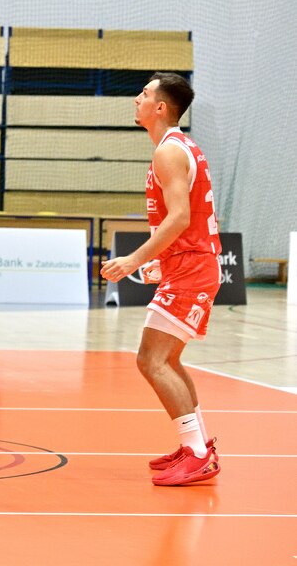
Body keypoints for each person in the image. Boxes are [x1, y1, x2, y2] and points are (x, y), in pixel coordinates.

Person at [101, 73, 223, 486]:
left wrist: (135, 259)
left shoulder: (168, 152)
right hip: (188, 264)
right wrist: (162, 261)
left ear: (161, 108)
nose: (136, 99)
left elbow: (181, 218)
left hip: (192, 268)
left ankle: (198, 453)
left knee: (150, 360)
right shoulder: (179, 146)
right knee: (167, 360)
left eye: (144, 94)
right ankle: (197, 445)